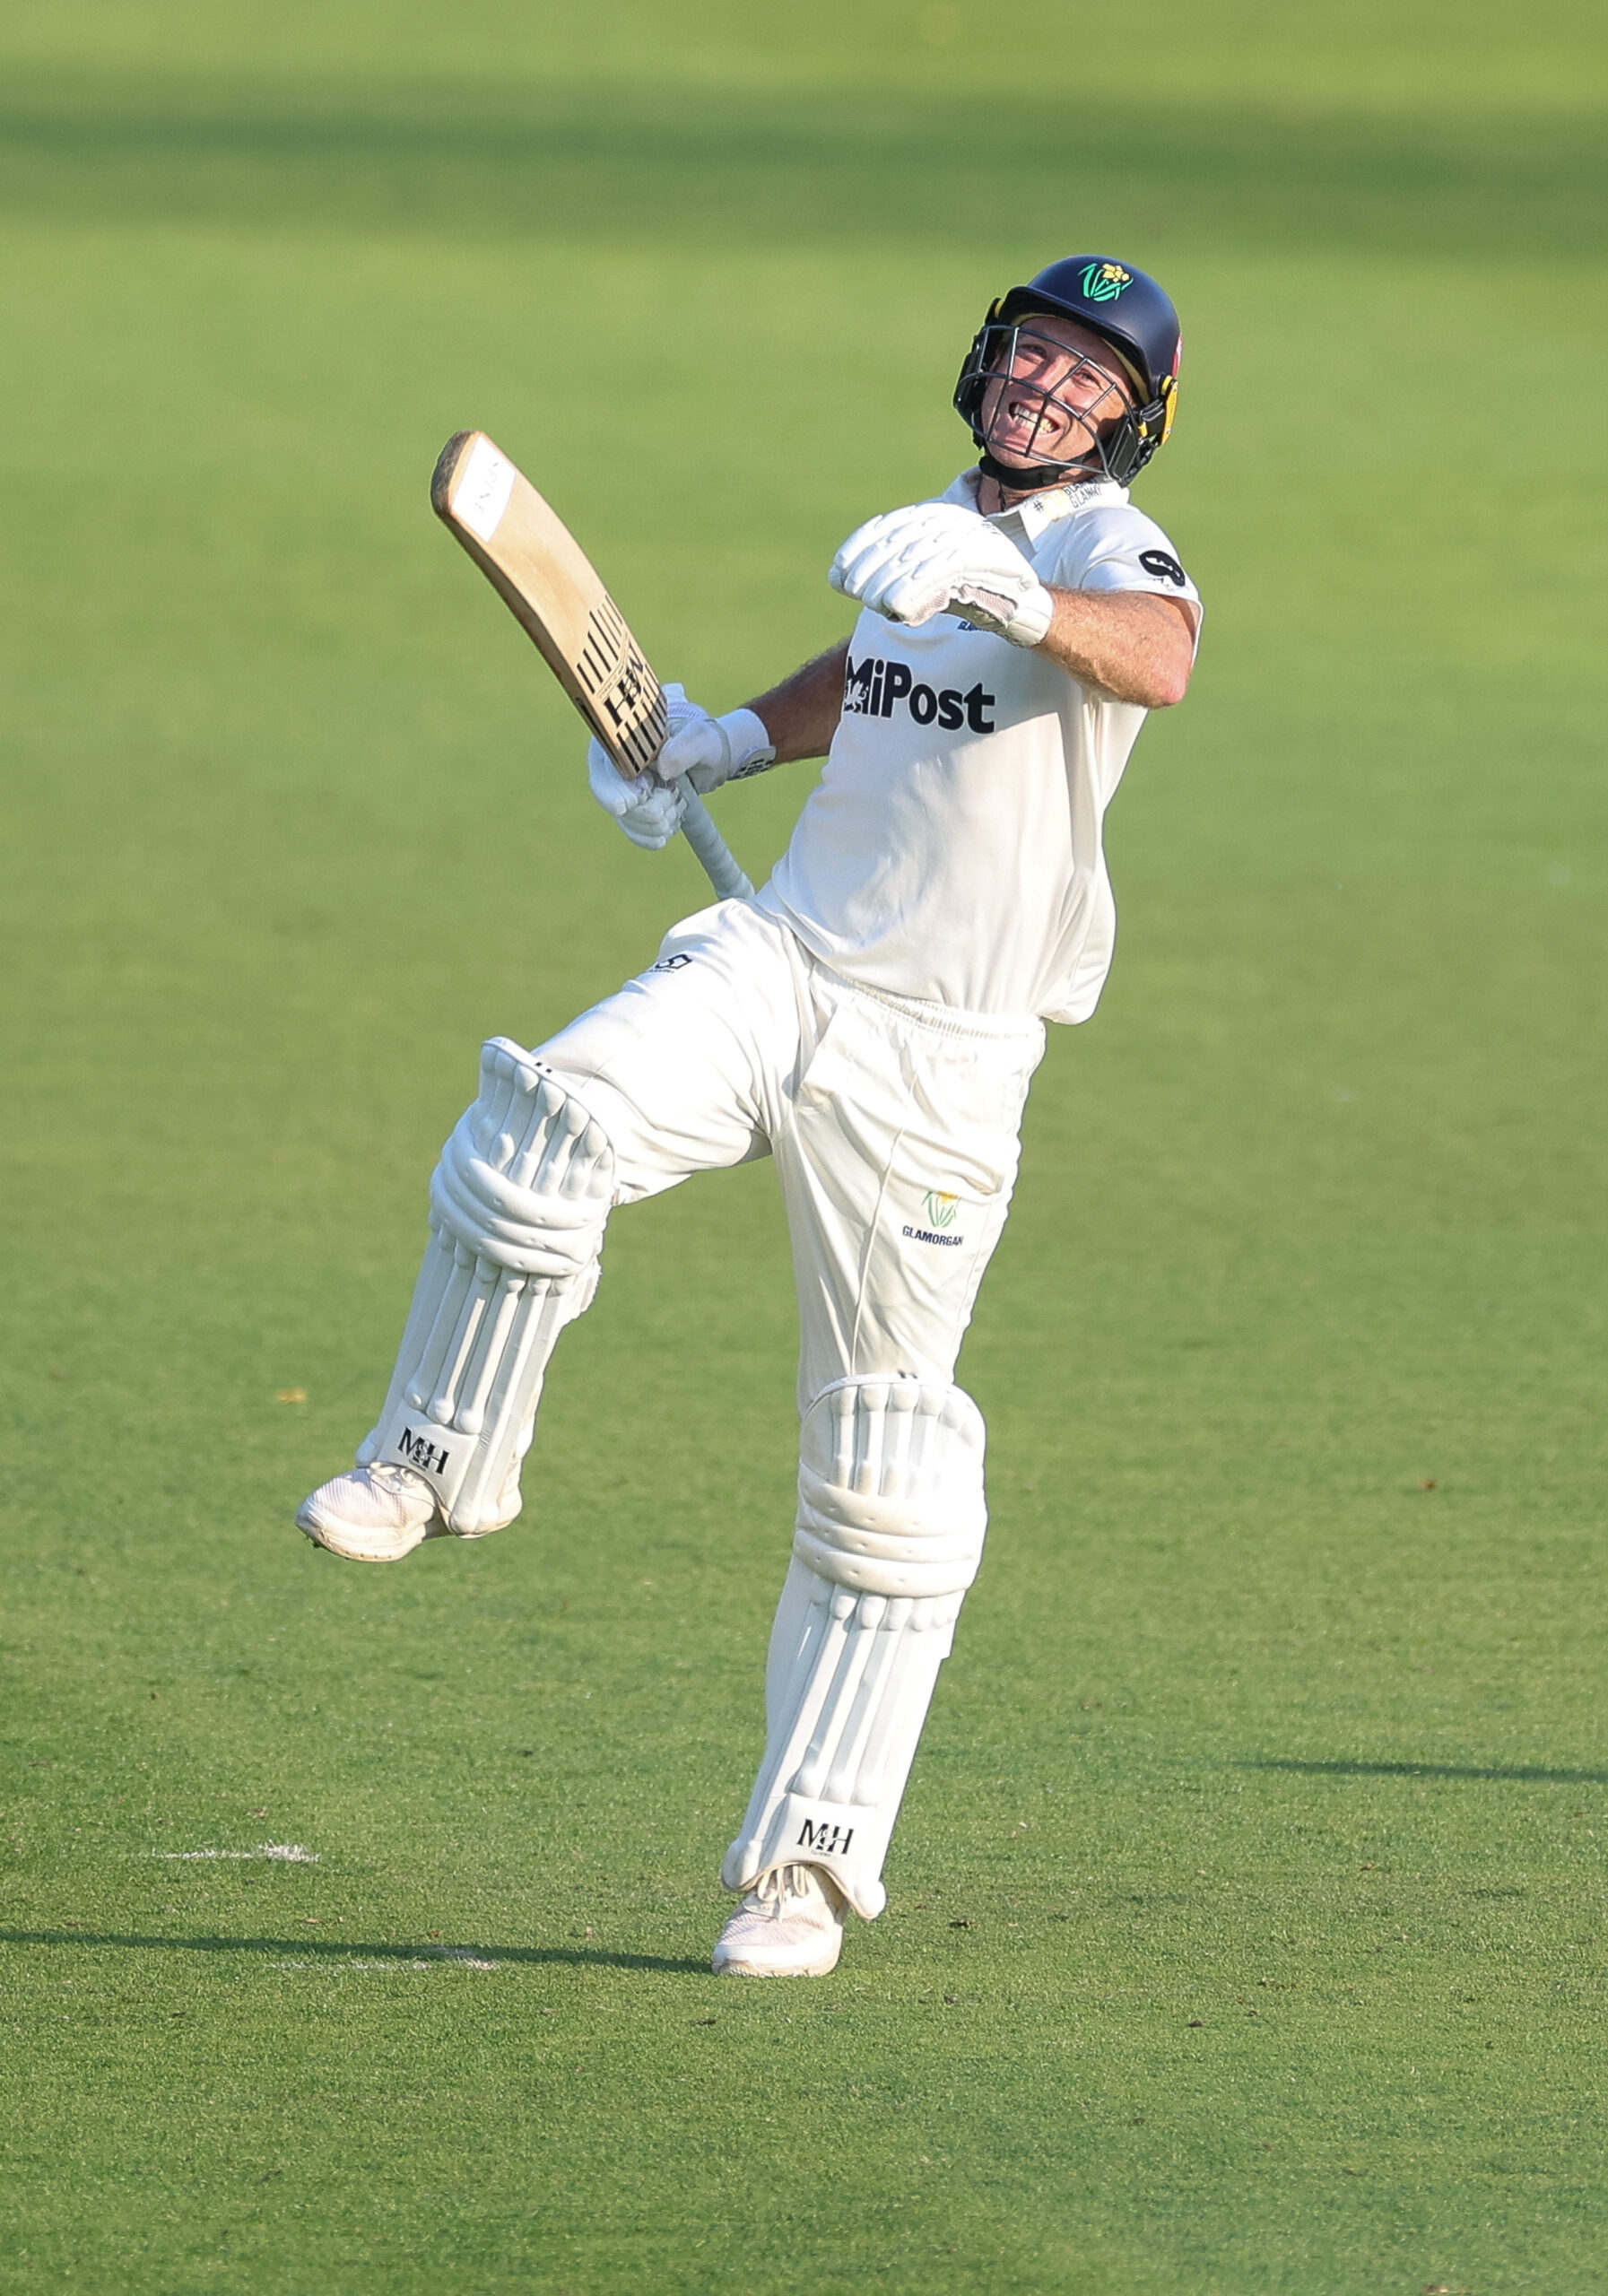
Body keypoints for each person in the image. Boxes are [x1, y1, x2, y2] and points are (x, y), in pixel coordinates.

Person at [296, 255, 1202, 1979]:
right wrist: (719, 744)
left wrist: (1016, 603)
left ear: (1129, 420)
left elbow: (1156, 659)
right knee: (540, 1120)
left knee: (882, 1462)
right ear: (983, 360)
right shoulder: (938, 526)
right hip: (787, 961)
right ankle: (435, 1456)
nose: (1043, 387)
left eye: (1087, 378)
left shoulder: (1096, 554)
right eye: (1029, 352)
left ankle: (803, 1865)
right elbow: (873, 677)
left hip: (939, 1061)